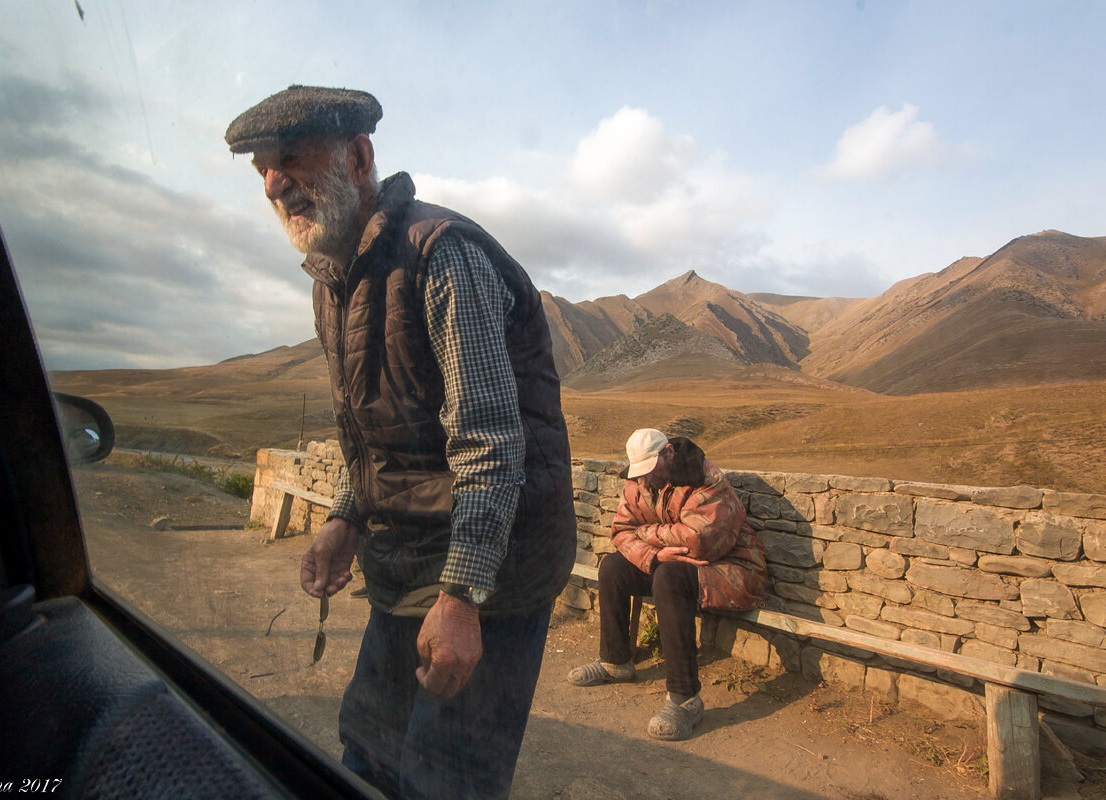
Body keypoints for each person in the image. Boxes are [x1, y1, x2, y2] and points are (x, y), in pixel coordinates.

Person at [225, 86, 576, 800]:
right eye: (261, 168)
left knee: (443, 779)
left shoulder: (443, 259)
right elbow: (370, 433)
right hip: (403, 556)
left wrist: (463, 596)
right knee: (369, 748)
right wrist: (344, 519)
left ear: (358, 158)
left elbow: (488, 443)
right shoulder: (332, 282)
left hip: (494, 568)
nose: (273, 183)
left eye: (290, 158)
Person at [567, 428, 767, 741]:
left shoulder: (705, 478)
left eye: (651, 469)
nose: (645, 478)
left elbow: (699, 542)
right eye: (640, 472)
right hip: (678, 564)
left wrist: (647, 534)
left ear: (669, 453)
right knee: (613, 568)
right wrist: (657, 554)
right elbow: (620, 532)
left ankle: (684, 698)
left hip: (731, 569)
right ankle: (616, 661)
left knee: (669, 577)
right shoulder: (638, 483)